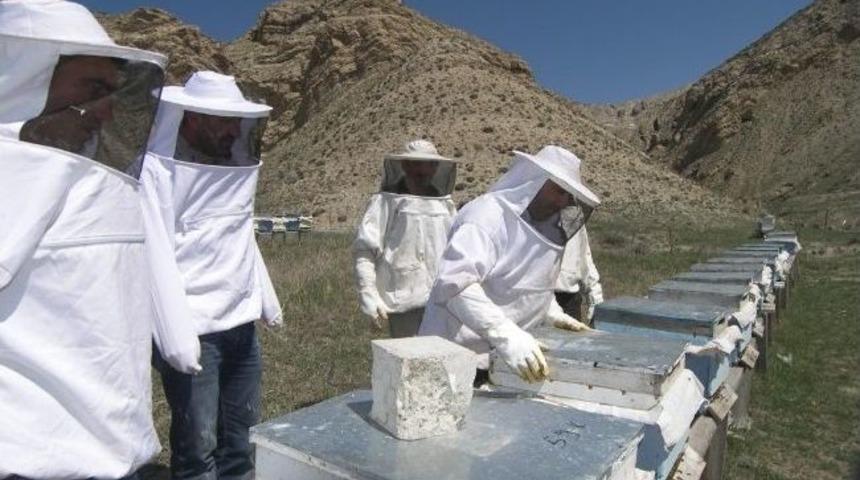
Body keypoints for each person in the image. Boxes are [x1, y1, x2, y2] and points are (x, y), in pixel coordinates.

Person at [0, 0, 200, 478]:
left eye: (112, 91)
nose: (107, 110)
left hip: (113, 456)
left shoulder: (96, 181)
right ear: (24, 82)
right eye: (92, 87)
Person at [139, 70, 282, 480]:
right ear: (194, 118)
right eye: (225, 121)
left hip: (241, 325)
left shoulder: (233, 168)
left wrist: (265, 299)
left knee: (242, 437)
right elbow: (154, 253)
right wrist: (176, 337)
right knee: (198, 447)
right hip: (195, 329)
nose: (235, 131)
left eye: (239, 121)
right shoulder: (157, 171)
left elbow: (240, 232)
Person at [419, 145, 600, 384]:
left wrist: (550, 312)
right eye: (558, 191)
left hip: (502, 361)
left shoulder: (547, 226)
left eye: (568, 196)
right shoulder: (485, 217)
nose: (563, 202)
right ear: (532, 183)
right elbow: (454, 286)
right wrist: (505, 334)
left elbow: (525, 281)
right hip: (453, 356)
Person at [353, 140, 458, 337]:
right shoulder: (386, 202)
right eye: (416, 164)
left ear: (436, 168)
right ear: (405, 165)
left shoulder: (445, 205)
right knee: (409, 362)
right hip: (402, 301)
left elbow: (458, 251)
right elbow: (365, 250)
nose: (423, 170)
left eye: (429, 165)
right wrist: (369, 294)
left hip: (443, 303)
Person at [554, 226, 604, 324]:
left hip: (568, 301)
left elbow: (584, 256)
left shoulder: (573, 215)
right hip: (534, 300)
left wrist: (595, 299)